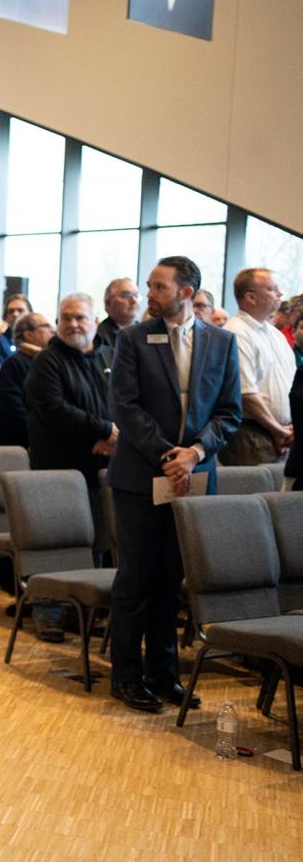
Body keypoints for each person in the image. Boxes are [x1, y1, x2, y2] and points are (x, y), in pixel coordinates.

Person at [107, 256, 241, 713]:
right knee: (137, 579)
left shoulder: (222, 342)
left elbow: (229, 412)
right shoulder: (133, 339)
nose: (149, 294)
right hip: (142, 476)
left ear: (186, 292)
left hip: (194, 476)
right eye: (148, 286)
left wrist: (194, 454)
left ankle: (163, 674)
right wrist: (170, 455)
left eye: (159, 287)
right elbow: (125, 406)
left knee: (172, 580)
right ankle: (125, 677)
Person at [23, 293, 116, 641]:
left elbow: (120, 400)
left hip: (98, 465)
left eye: (80, 318)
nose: (73, 324)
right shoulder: (47, 361)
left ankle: (86, 611)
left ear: (94, 321)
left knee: (97, 540)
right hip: (57, 468)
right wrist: (103, 429)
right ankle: (47, 613)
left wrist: (112, 434)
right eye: (66, 318)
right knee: (53, 542)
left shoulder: (107, 355)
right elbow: (54, 408)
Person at [219, 268, 295, 465]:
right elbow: (245, 394)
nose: (280, 294)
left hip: (285, 434)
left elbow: (292, 383)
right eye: (272, 289)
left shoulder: (275, 334)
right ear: (251, 297)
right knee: (254, 493)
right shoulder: (236, 332)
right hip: (251, 435)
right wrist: (278, 429)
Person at [0, 312, 53, 449]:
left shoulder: (48, 362)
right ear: (29, 335)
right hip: (24, 444)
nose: (53, 330)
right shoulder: (14, 364)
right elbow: (13, 410)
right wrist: (37, 434)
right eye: (46, 326)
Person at [95, 277, 141, 350]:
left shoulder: (147, 332)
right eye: (126, 295)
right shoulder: (98, 336)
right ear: (108, 303)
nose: (134, 301)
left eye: (136, 295)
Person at [0, 295, 32, 366]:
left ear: (30, 314)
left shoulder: (37, 341)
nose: (15, 314)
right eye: (11, 311)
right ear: (5, 316)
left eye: (20, 310)